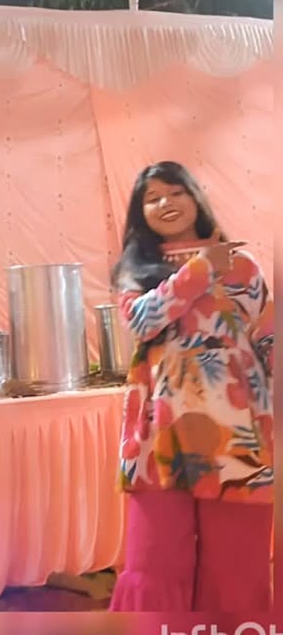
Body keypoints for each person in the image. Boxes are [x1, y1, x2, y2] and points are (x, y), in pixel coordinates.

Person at [109, 161, 273, 613]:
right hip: (157, 441)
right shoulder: (134, 271)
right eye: (152, 198)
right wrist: (201, 267)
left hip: (239, 440)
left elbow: (269, 340)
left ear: (195, 197)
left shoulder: (241, 266)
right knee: (153, 566)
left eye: (175, 192)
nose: (166, 203)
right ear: (140, 212)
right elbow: (142, 321)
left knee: (237, 569)